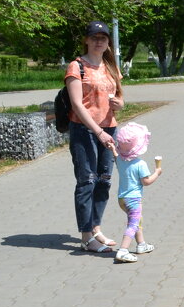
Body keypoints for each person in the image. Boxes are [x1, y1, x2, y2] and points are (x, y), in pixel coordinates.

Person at [66, 21, 127, 261]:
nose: (99, 41)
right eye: (94, 37)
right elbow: (77, 105)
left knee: (104, 180)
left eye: (103, 37)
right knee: (86, 182)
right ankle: (85, 237)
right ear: (87, 40)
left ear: (107, 42)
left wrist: (121, 104)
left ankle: (96, 229)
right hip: (84, 131)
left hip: (110, 129)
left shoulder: (110, 66)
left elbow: (120, 96)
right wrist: (98, 132)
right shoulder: (76, 66)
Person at [113, 122, 163, 263]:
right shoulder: (140, 164)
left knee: (136, 219)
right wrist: (157, 172)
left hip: (122, 199)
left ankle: (141, 244)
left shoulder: (120, 160)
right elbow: (146, 182)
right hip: (133, 199)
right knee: (133, 224)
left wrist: (113, 148)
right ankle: (123, 250)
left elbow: (116, 155)